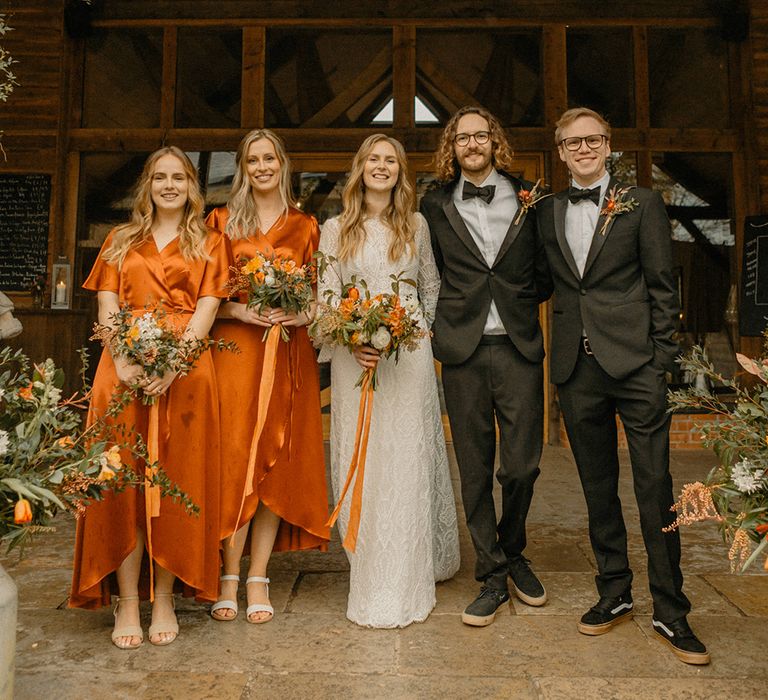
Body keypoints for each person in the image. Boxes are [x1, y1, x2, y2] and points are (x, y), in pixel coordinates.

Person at [536, 106, 710, 665]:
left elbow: (662, 284)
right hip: (576, 368)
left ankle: (670, 607)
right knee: (596, 487)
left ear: (607, 146)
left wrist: (660, 358)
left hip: (636, 366)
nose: (583, 149)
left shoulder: (643, 203)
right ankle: (614, 592)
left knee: (656, 484)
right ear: (560, 153)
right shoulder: (548, 211)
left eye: (592, 141)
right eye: (572, 143)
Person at [69, 146, 232, 649]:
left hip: (184, 374)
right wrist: (124, 360)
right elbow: (108, 300)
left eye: (178, 177)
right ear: (148, 185)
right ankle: (126, 600)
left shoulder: (210, 240)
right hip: (121, 373)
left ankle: (164, 596)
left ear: (191, 186)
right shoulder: (121, 240)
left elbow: (206, 310)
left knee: (176, 484)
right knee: (121, 487)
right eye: (160, 177)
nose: (169, 185)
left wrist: (174, 364)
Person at [318, 134, 460, 628]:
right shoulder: (335, 229)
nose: (382, 168)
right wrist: (350, 335)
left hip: (409, 356)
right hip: (353, 357)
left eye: (391, 162)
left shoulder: (416, 224)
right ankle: (368, 563)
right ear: (360, 169)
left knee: (405, 456)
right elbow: (327, 293)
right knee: (362, 454)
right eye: (374, 160)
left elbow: (431, 285)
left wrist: (413, 331)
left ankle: (407, 571)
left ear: (401, 172)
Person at [420, 106, 552, 627]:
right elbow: (429, 270)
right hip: (463, 350)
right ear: (451, 147)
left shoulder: (532, 198)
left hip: (518, 345)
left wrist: (516, 299)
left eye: (480, 135)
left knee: (522, 464)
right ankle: (492, 574)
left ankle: (514, 549)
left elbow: (544, 271)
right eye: (462, 137)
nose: (472, 144)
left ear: (495, 142)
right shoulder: (433, 205)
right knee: (474, 467)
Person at [206, 129, 329, 624]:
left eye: (269, 158)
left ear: (283, 164)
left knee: (277, 458)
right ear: (243, 167)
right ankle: (227, 573)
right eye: (253, 159)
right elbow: (205, 297)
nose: (262, 167)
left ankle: (258, 574)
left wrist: (301, 316)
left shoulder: (306, 226)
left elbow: (322, 294)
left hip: (288, 353)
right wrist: (240, 311)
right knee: (236, 457)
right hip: (236, 354)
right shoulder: (219, 222)